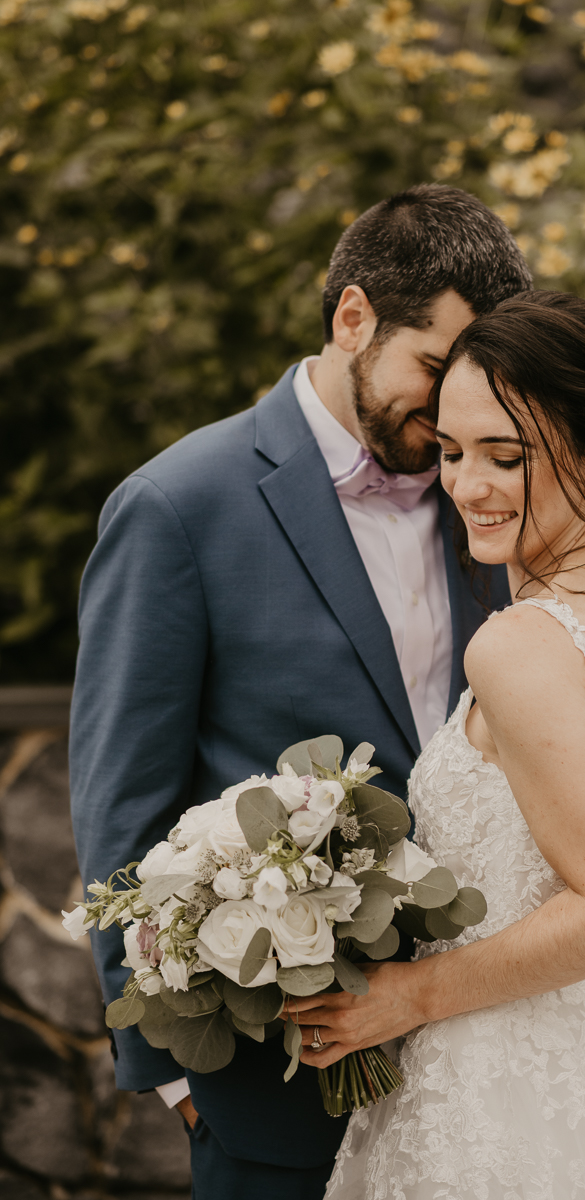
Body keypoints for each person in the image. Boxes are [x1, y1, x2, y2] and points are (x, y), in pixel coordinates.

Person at [68, 185, 531, 1199]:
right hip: (273, 1083)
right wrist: (172, 1081)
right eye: (434, 369)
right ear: (352, 316)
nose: (457, 409)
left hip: (487, 1066)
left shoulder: (494, 499)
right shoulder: (177, 507)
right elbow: (121, 810)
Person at [288, 291, 585, 1198]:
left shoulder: (517, 645)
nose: (467, 485)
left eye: (505, 458)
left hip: (487, 1090)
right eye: (451, 451)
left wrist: (408, 995)